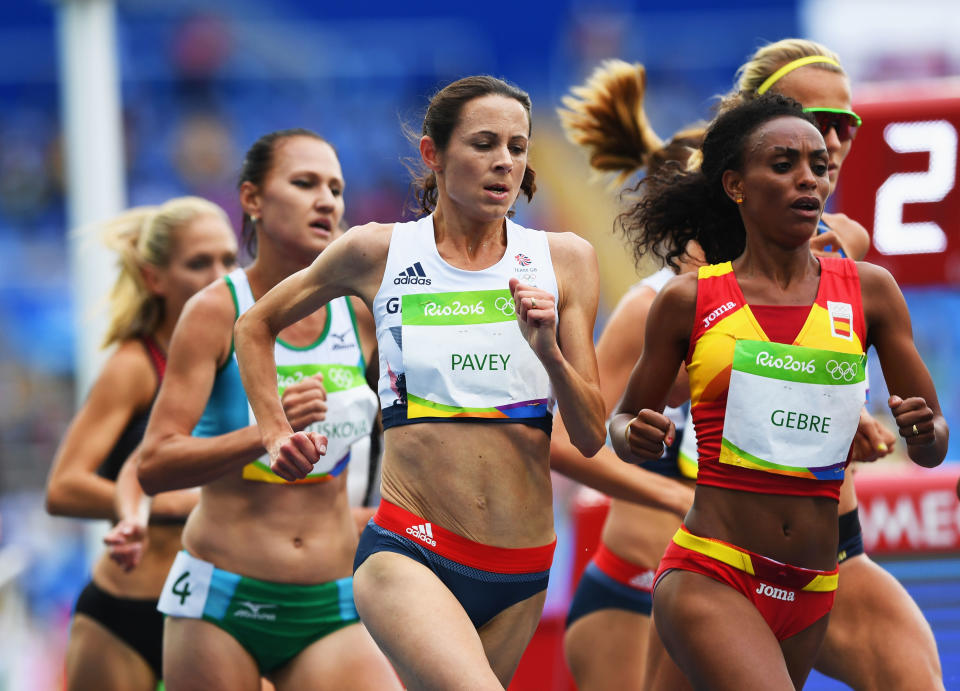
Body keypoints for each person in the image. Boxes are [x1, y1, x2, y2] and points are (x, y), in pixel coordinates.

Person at [559, 41, 941, 690]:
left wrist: (854, 422)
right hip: (678, 568)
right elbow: (590, 433)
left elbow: (812, 400)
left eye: (847, 126)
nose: (838, 139)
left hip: (824, 562)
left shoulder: (851, 261)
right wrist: (674, 487)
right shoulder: (674, 298)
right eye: (820, 120)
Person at [233, 76, 606, 689]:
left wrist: (551, 354)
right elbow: (256, 324)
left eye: (517, 146)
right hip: (412, 549)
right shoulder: (376, 252)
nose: (503, 162)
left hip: (523, 564)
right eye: (484, 143)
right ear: (433, 154)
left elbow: (591, 435)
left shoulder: (565, 259)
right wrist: (274, 434)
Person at [136, 129, 399, 691]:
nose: (326, 200)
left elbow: (402, 433)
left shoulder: (360, 313)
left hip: (333, 599)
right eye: (304, 183)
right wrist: (268, 432)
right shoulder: (214, 310)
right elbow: (154, 465)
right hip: (222, 601)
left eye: (335, 188)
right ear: (252, 200)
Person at [45, 196, 239, 691]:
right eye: (198, 263)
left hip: (223, 611)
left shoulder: (250, 354)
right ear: (155, 279)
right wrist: (154, 500)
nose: (218, 276)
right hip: (126, 613)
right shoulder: (135, 365)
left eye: (228, 259)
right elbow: (63, 488)